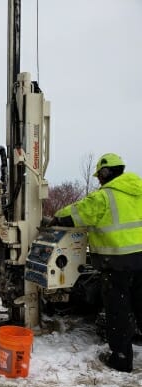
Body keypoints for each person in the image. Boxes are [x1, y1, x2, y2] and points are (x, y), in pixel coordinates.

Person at [51, 153, 142, 373]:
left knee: (118, 311)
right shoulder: (138, 191)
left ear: (105, 173)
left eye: (99, 176)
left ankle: (121, 359)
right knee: (140, 304)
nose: (99, 181)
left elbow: (74, 214)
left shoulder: (104, 197)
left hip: (116, 263)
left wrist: (54, 219)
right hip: (140, 260)